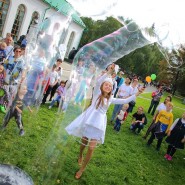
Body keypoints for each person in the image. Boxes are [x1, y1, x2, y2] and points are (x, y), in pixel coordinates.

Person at [65, 66, 144, 179]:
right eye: (106, 84)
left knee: (91, 148)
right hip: (89, 120)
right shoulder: (97, 93)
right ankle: (80, 154)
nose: (108, 86)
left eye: (110, 86)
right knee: (84, 141)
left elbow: (125, 100)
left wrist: (137, 94)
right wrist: (109, 71)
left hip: (98, 124)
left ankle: (82, 169)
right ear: (102, 86)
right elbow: (98, 82)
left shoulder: (111, 98)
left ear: (112, 89)